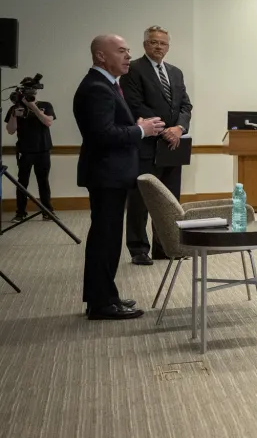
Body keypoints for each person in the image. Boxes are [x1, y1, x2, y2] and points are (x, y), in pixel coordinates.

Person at [73, 35, 166, 320]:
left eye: (128, 51)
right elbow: (102, 135)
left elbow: (111, 127)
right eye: (121, 51)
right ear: (101, 56)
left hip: (111, 174)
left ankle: (104, 297)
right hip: (106, 174)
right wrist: (141, 131)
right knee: (105, 238)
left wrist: (135, 125)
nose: (128, 56)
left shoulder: (107, 85)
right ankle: (102, 304)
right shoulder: (97, 88)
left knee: (108, 237)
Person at [121, 25, 193, 266]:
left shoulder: (176, 72)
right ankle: (139, 248)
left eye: (162, 43)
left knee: (169, 200)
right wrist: (164, 130)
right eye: (153, 42)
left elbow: (185, 106)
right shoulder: (133, 70)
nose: (158, 46)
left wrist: (179, 129)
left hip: (173, 146)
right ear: (145, 45)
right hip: (146, 144)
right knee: (141, 199)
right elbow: (135, 105)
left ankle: (166, 247)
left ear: (168, 46)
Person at [4, 82, 55, 222]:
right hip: (25, 151)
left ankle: (47, 211)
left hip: (43, 149)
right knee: (22, 183)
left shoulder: (46, 105)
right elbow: (10, 130)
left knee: (43, 181)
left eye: (31, 91)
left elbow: (48, 122)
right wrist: (15, 114)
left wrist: (33, 107)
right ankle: (20, 212)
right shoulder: (15, 107)